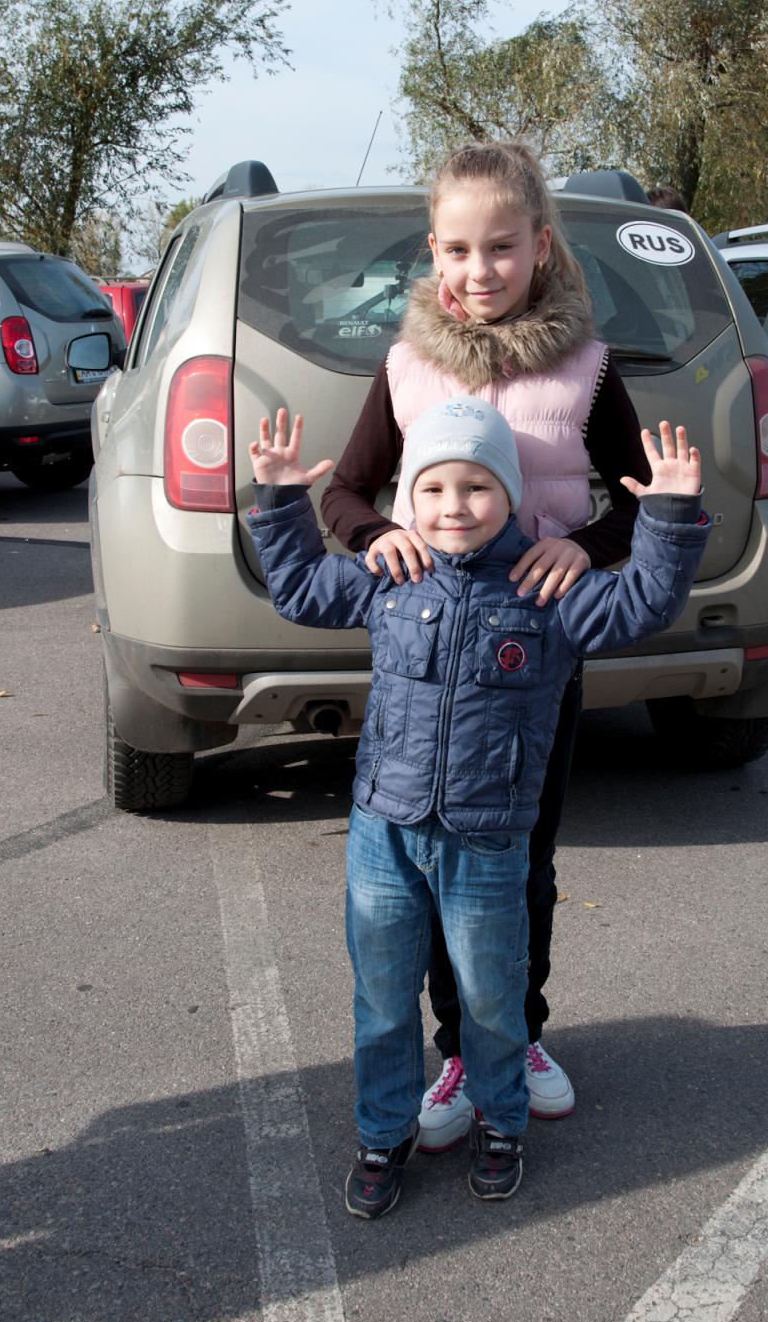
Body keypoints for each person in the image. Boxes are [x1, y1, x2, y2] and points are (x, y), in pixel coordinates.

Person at [249, 398, 708, 1217]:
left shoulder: (547, 586)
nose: (454, 507)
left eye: (476, 487)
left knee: (493, 997)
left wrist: (669, 515)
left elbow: (639, 605)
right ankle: (382, 1133)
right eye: (432, 489)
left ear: (510, 494)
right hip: (383, 830)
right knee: (382, 998)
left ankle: (501, 1123)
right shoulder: (391, 573)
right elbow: (298, 589)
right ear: (407, 498)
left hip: (488, 838)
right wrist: (281, 499)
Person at [320, 141, 655, 1146]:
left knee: (523, 861)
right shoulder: (406, 365)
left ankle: (520, 1034)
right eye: (459, 250)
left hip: (533, 664)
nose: (480, 270)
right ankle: (457, 1050)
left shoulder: (588, 368)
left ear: (541, 247)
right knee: (422, 863)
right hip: (427, 667)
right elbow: (345, 491)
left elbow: (642, 502)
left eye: (502, 247)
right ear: (433, 251)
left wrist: (585, 546)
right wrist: (375, 536)